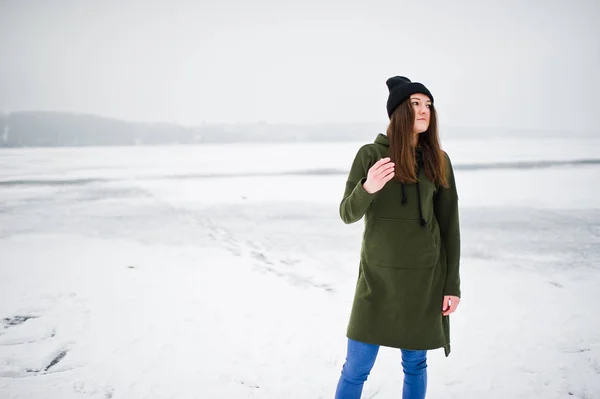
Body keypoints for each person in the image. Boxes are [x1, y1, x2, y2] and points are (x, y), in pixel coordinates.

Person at [334, 76, 461, 399]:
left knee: (416, 365)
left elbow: (449, 226)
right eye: (416, 104)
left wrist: (452, 286)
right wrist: (368, 188)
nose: (424, 111)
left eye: (428, 105)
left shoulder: (438, 160)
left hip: (424, 280)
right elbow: (347, 213)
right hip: (377, 280)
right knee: (356, 368)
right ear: (398, 112)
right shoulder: (371, 155)